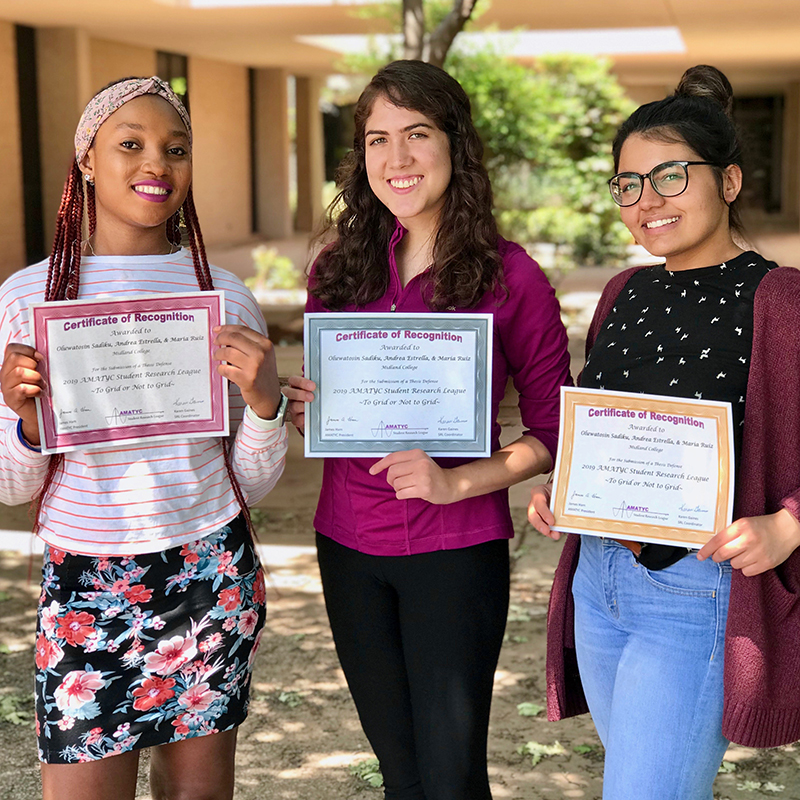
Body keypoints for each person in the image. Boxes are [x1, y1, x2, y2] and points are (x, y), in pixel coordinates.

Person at [284, 60, 571, 800]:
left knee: (450, 777)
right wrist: (314, 409)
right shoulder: (336, 270)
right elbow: (337, 404)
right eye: (378, 139)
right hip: (347, 542)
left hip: (455, 550)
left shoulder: (513, 278)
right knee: (400, 771)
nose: (397, 158)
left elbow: (552, 429)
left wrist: (458, 480)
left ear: (456, 145)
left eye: (417, 134)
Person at [0, 77, 288, 800]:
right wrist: (27, 419)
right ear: (87, 160)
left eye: (176, 149)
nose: (156, 163)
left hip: (207, 569)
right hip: (86, 581)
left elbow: (248, 483)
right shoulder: (27, 299)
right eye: (130, 144)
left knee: (197, 795)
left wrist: (264, 403)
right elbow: (10, 487)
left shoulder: (222, 297)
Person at [528, 65, 800, 800]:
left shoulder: (781, 299)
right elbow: (609, 422)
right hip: (600, 582)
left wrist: (788, 523)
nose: (647, 201)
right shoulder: (624, 291)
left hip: (697, 591)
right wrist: (563, 489)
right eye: (629, 184)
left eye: (672, 176)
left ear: (731, 181)